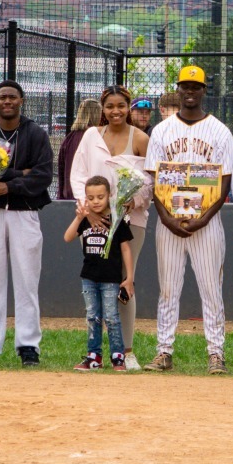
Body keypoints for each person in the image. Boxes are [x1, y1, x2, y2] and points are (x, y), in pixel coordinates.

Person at [145, 66, 233, 374]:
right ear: (179, 89)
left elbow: (224, 183)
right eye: (185, 86)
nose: (190, 91)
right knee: (168, 289)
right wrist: (166, 218)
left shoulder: (220, 131)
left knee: (212, 288)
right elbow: (154, 180)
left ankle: (216, 353)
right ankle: (164, 351)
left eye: (196, 86)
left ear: (204, 90)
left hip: (206, 223)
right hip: (168, 221)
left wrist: (204, 219)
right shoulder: (161, 131)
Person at [0, 79, 55, 365]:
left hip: (24, 212)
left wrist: (9, 184)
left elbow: (43, 176)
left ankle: (28, 346)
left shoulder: (35, 133)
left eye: (13, 97)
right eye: (2, 97)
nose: (7, 101)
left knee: (27, 280)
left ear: (22, 101)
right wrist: (21, 173)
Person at [65, 85, 149, 369]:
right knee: (97, 283)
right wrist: (88, 213)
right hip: (94, 223)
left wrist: (131, 201)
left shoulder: (140, 138)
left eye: (121, 106)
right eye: (110, 106)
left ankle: (126, 351)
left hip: (130, 222)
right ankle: (95, 352)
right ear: (103, 108)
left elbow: (149, 182)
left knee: (124, 281)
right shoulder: (91, 136)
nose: (116, 111)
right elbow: (77, 177)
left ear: (129, 107)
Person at [65, 174, 134, 371]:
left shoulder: (116, 219)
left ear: (109, 196)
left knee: (112, 317)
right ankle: (93, 356)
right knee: (92, 316)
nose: (96, 202)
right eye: (91, 198)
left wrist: (129, 278)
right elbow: (67, 237)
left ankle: (117, 356)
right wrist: (79, 217)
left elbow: (126, 249)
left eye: (100, 197)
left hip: (110, 279)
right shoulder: (86, 220)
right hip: (89, 278)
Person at [56, 97, 101, 200]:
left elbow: (61, 168)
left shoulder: (70, 137)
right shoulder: (93, 136)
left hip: (68, 193)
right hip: (87, 196)